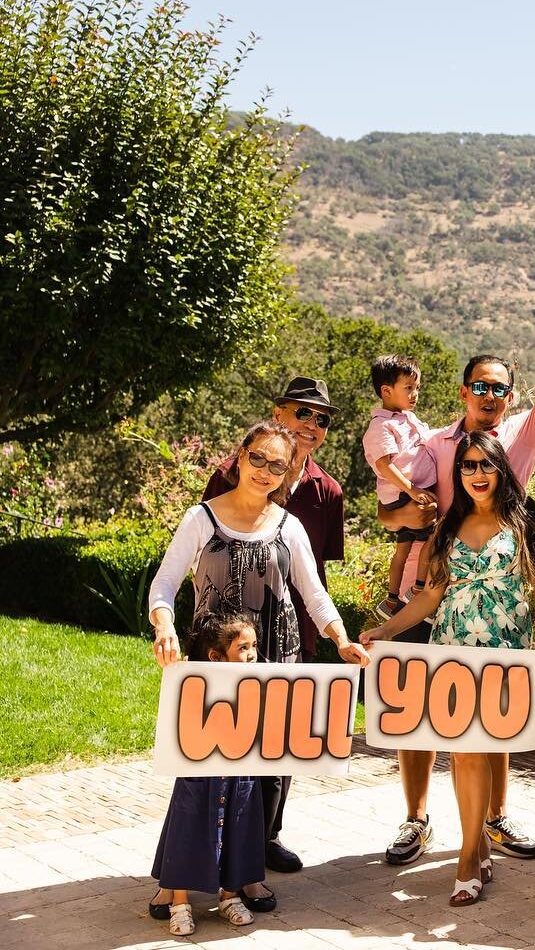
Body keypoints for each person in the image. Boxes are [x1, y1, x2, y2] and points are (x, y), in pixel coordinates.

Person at [376, 277, 535, 868]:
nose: (490, 395)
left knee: (494, 717)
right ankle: (416, 820)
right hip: (429, 584)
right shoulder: (431, 443)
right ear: (464, 390)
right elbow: (388, 510)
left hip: (497, 598)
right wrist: (407, 510)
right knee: (419, 712)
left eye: (500, 387)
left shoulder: (519, 436)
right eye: (481, 386)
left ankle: (493, 820)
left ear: (510, 396)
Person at [149, 421, 369, 902]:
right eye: (259, 458)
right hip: (213, 665)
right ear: (241, 455)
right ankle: (176, 881)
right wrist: (164, 627)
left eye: (279, 464)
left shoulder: (289, 526)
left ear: (288, 472)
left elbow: (314, 594)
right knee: (200, 768)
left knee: (260, 770)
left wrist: (340, 639)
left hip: (274, 660)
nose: (266, 471)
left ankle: (246, 875)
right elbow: (164, 584)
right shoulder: (200, 519)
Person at [360, 434, 535, 907]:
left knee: (485, 747)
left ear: (500, 470)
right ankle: (471, 855)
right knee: (465, 753)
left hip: (504, 652)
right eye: (468, 467)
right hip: (453, 652)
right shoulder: (448, 526)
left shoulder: (524, 520)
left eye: (486, 466)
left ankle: (475, 849)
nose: (477, 474)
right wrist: (388, 630)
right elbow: (430, 596)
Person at [202, 377, 345, 668]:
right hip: (226, 639)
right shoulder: (228, 476)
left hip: (292, 638)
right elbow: (202, 554)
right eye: (303, 413)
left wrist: (337, 635)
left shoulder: (329, 492)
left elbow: (315, 572)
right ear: (278, 415)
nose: (312, 424)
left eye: (322, 419)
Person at [149, 610, 268, 937]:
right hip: (198, 776)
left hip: (241, 775)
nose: (252, 654)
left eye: (254, 646)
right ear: (216, 656)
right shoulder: (194, 681)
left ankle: (230, 896)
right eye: (243, 648)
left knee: (240, 828)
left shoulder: (260, 682)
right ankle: (179, 902)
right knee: (187, 831)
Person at [363, 354, 437, 616]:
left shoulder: (408, 418)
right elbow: (384, 465)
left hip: (406, 494)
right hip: (404, 495)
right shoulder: (380, 426)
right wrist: (412, 490)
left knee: (403, 549)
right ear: (386, 391)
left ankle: (392, 599)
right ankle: (417, 589)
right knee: (433, 537)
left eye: (417, 388)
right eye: (408, 388)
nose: (415, 394)